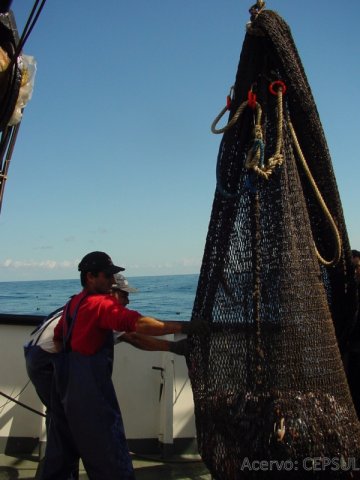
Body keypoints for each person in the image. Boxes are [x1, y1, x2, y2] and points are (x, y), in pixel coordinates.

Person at [40, 251, 201, 480]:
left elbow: (58, 338)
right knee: (111, 461)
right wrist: (182, 328)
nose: (112, 280)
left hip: (66, 393)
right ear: (90, 277)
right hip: (91, 399)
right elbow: (136, 325)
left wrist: (69, 374)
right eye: (107, 275)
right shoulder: (101, 305)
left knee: (62, 455)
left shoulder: (73, 304)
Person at [110, 273, 188, 355]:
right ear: (110, 293)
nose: (127, 301)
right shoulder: (110, 315)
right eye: (123, 296)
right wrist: (174, 346)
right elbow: (133, 338)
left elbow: (140, 327)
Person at [347, 249, 360, 418]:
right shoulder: (350, 291)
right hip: (353, 351)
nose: (356, 272)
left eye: (358, 267)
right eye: (353, 268)